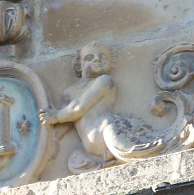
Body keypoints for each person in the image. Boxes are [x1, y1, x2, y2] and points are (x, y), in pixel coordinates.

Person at [39, 43, 163, 173]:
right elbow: (67, 122)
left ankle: (142, 153)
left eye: (102, 56)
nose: (97, 59)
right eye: (89, 57)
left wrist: (57, 116)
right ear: (78, 65)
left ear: (111, 63)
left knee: (129, 142)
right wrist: (53, 141)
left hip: (104, 131)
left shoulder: (104, 81)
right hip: (92, 142)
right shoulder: (69, 92)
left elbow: (80, 107)